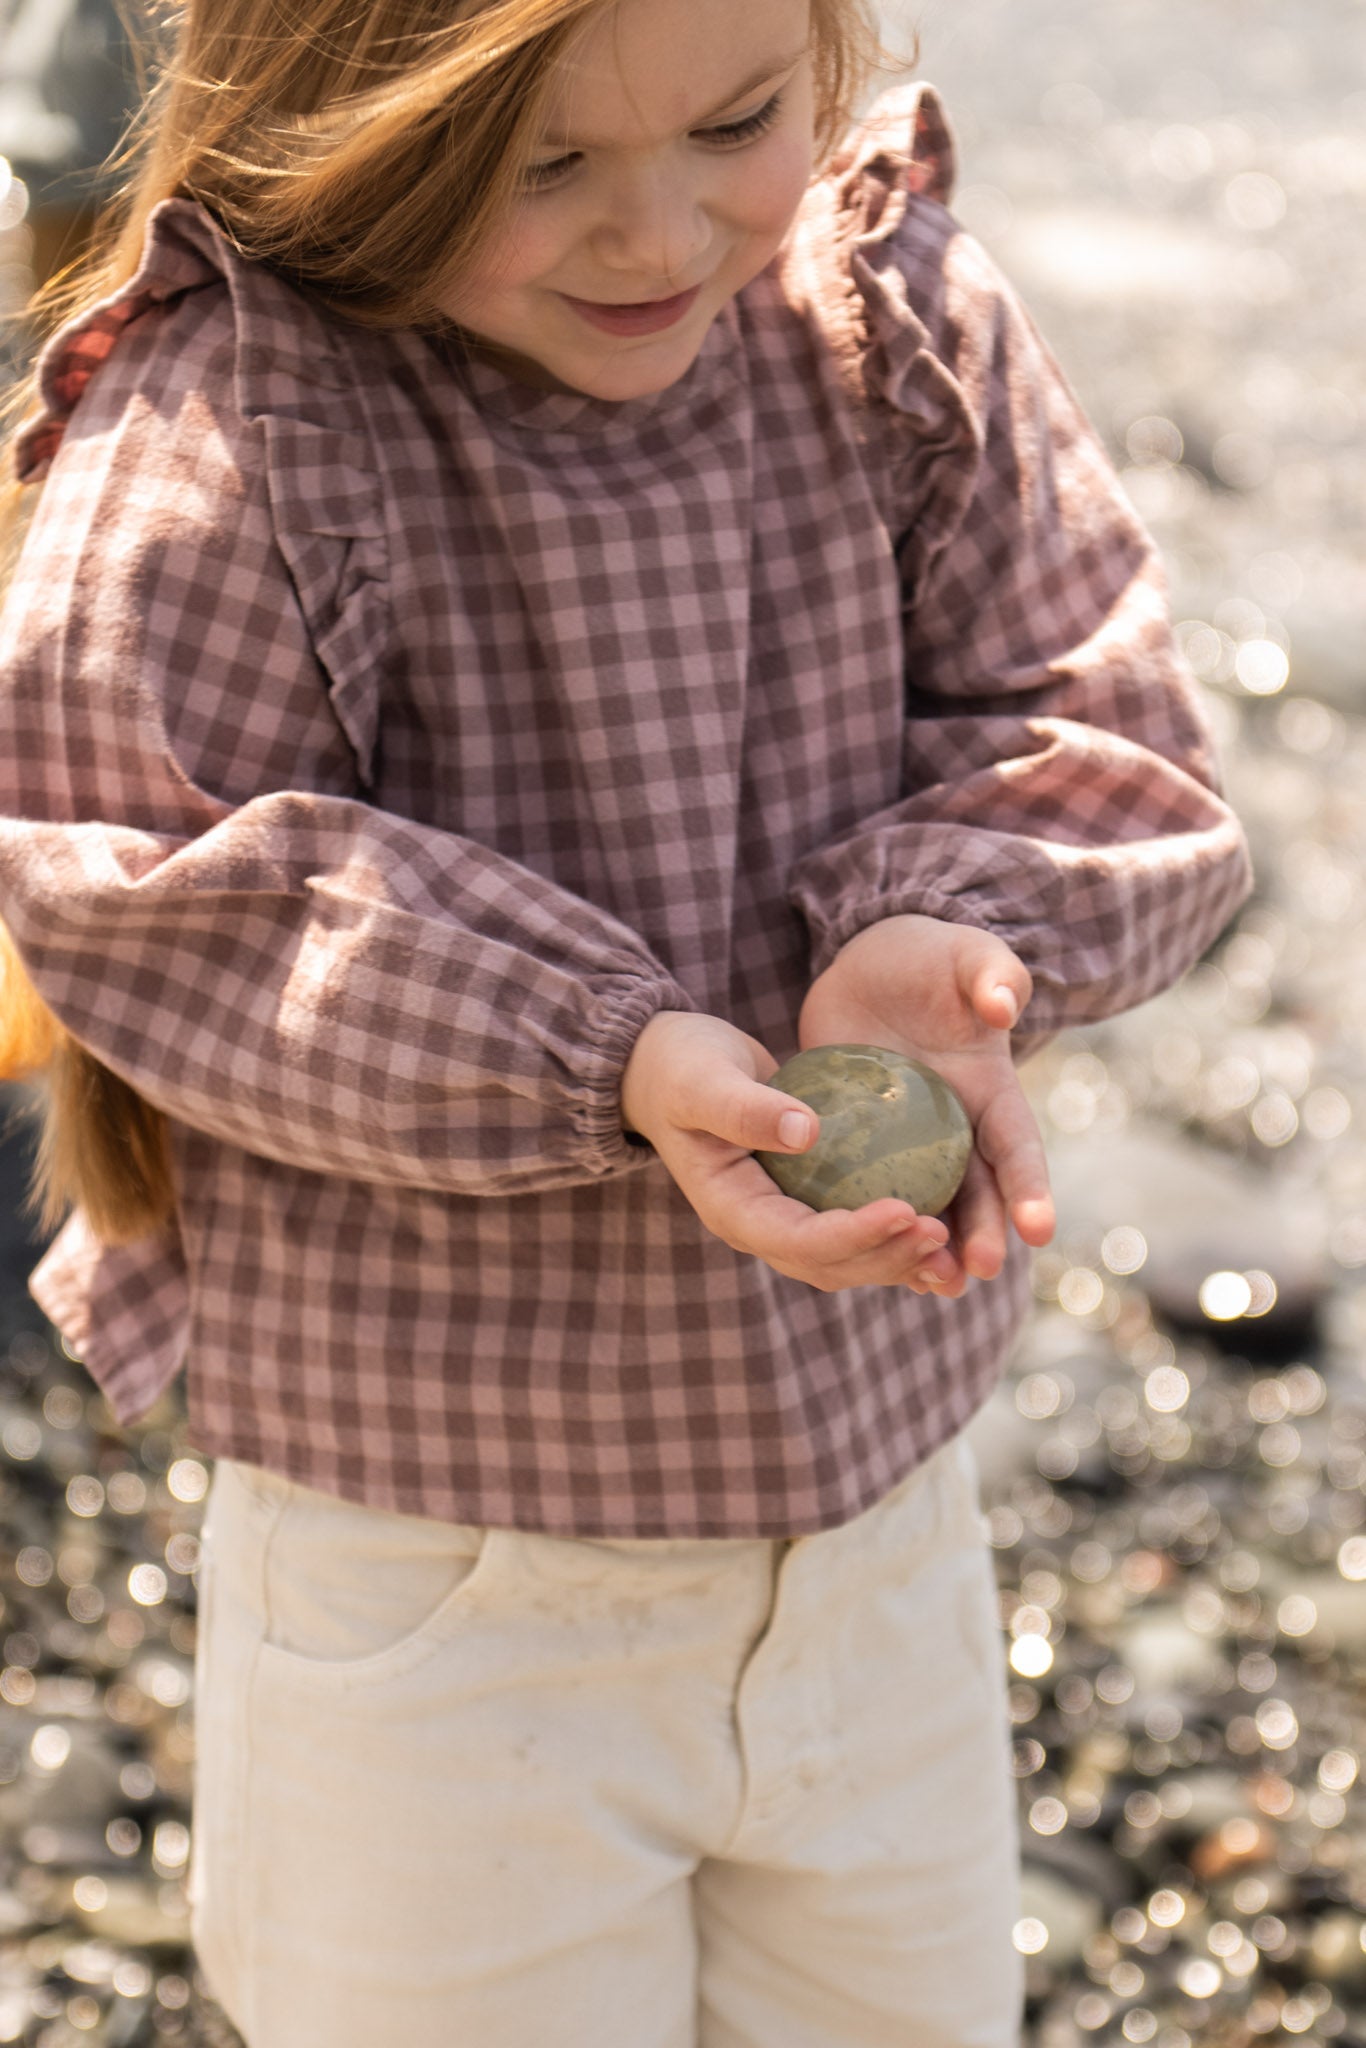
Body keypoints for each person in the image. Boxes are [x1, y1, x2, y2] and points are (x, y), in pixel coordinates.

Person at [0, 0, 1252, 2041]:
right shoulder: (257, 408)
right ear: (340, 115)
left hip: (871, 1528)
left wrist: (935, 928)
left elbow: (1104, 728)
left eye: (737, 118)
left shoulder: (877, 315)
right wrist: (604, 1050)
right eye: (540, 165)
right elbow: (131, 864)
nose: (658, 232)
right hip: (437, 1567)